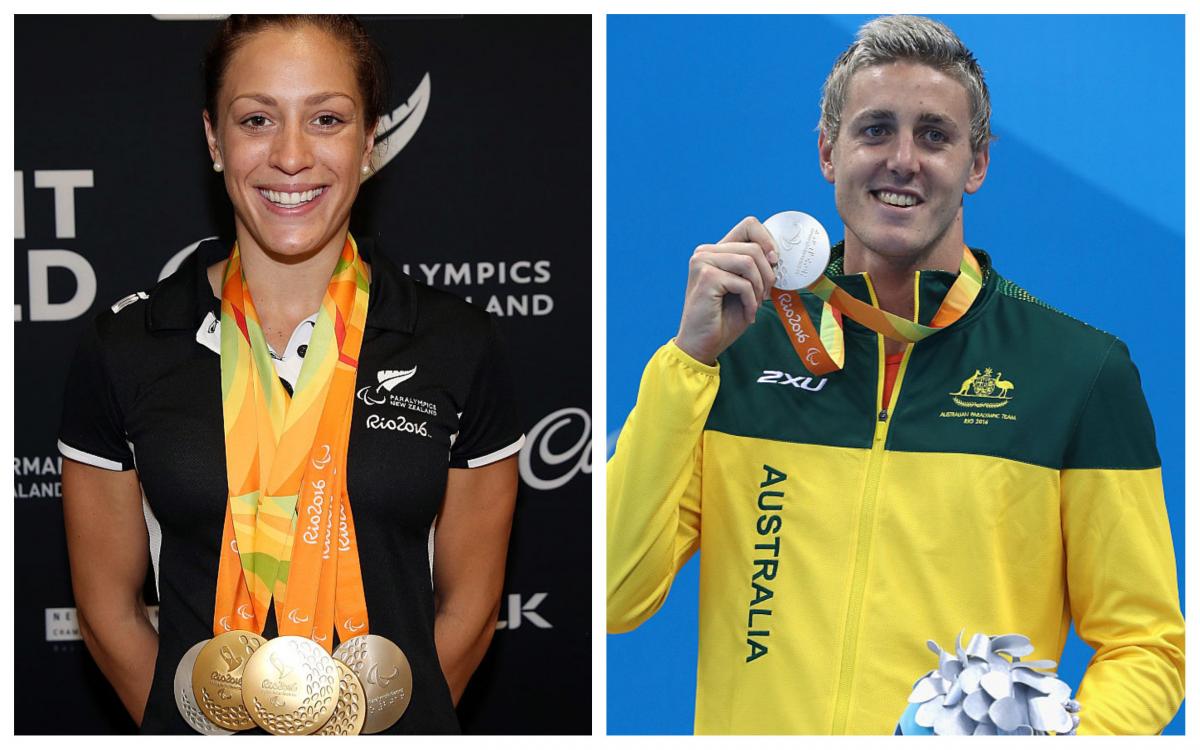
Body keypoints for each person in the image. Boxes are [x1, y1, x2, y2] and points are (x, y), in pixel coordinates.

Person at [607, 15, 1184, 735]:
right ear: (828, 152)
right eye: (875, 130)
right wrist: (687, 361)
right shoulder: (740, 353)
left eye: (934, 135)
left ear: (977, 164)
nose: (902, 159)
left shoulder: (1080, 370)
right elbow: (612, 594)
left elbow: (1147, 646)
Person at [59, 15, 523, 734]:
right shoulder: (126, 345)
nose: (291, 156)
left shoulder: (457, 342)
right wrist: (195, 731)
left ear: (369, 142)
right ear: (215, 140)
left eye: (328, 118)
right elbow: (105, 611)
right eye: (256, 120)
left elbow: (470, 609)